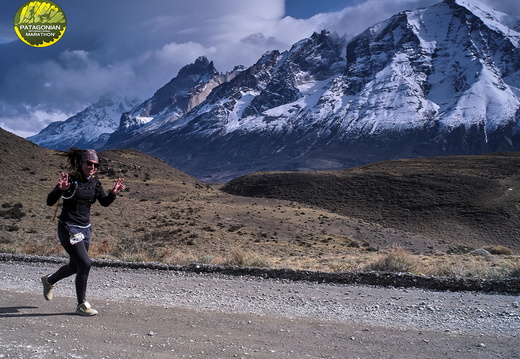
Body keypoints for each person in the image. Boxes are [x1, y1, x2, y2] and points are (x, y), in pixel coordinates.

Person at [42, 148, 125, 316]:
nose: (92, 167)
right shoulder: (70, 180)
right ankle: (81, 304)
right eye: (89, 163)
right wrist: (60, 189)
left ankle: (49, 281)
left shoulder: (95, 181)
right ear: (81, 163)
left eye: (95, 165)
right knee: (85, 264)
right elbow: (50, 201)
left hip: (85, 229)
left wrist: (113, 194)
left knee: (75, 266)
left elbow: (104, 203)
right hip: (68, 228)